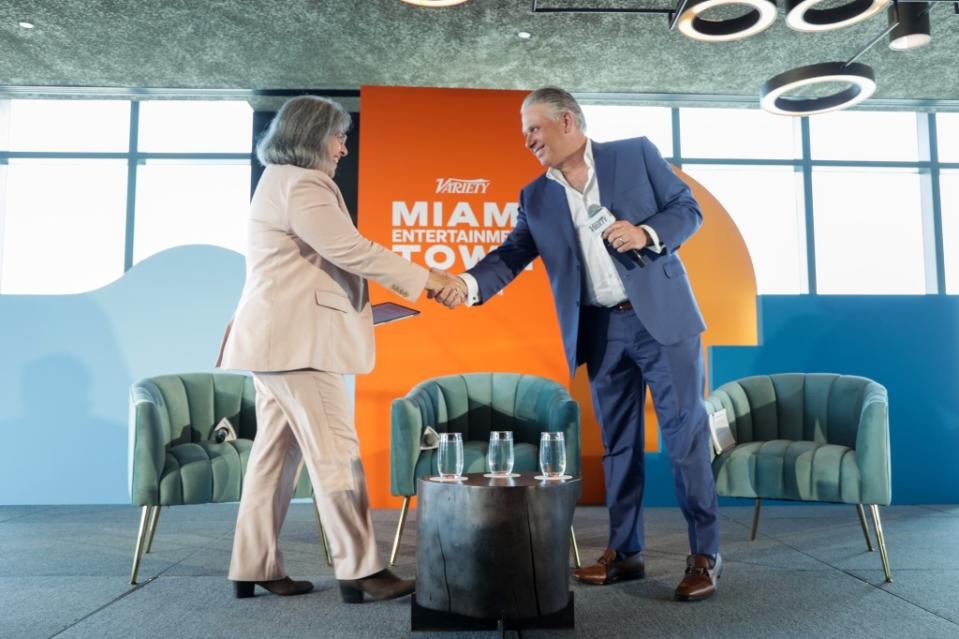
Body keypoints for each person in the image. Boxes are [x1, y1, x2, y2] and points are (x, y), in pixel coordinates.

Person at [435, 87, 722, 601]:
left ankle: (704, 554)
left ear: (567, 121)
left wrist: (648, 233)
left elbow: (688, 209)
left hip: (664, 323)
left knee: (685, 438)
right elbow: (510, 255)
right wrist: (467, 284)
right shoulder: (536, 196)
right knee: (618, 447)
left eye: (534, 129)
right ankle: (625, 551)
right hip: (600, 329)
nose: (526, 141)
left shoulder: (634, 153)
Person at [216, 95, 458, 603]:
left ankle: (253, 563)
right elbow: (350, 248)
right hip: (299, 347)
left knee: (274, 458)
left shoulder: (276, 182)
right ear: (310, 136)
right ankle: (362, 570)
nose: (344, 148)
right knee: (337, 455)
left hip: (272, 342)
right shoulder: (304, 183)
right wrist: (429, 278)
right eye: (338, 136)